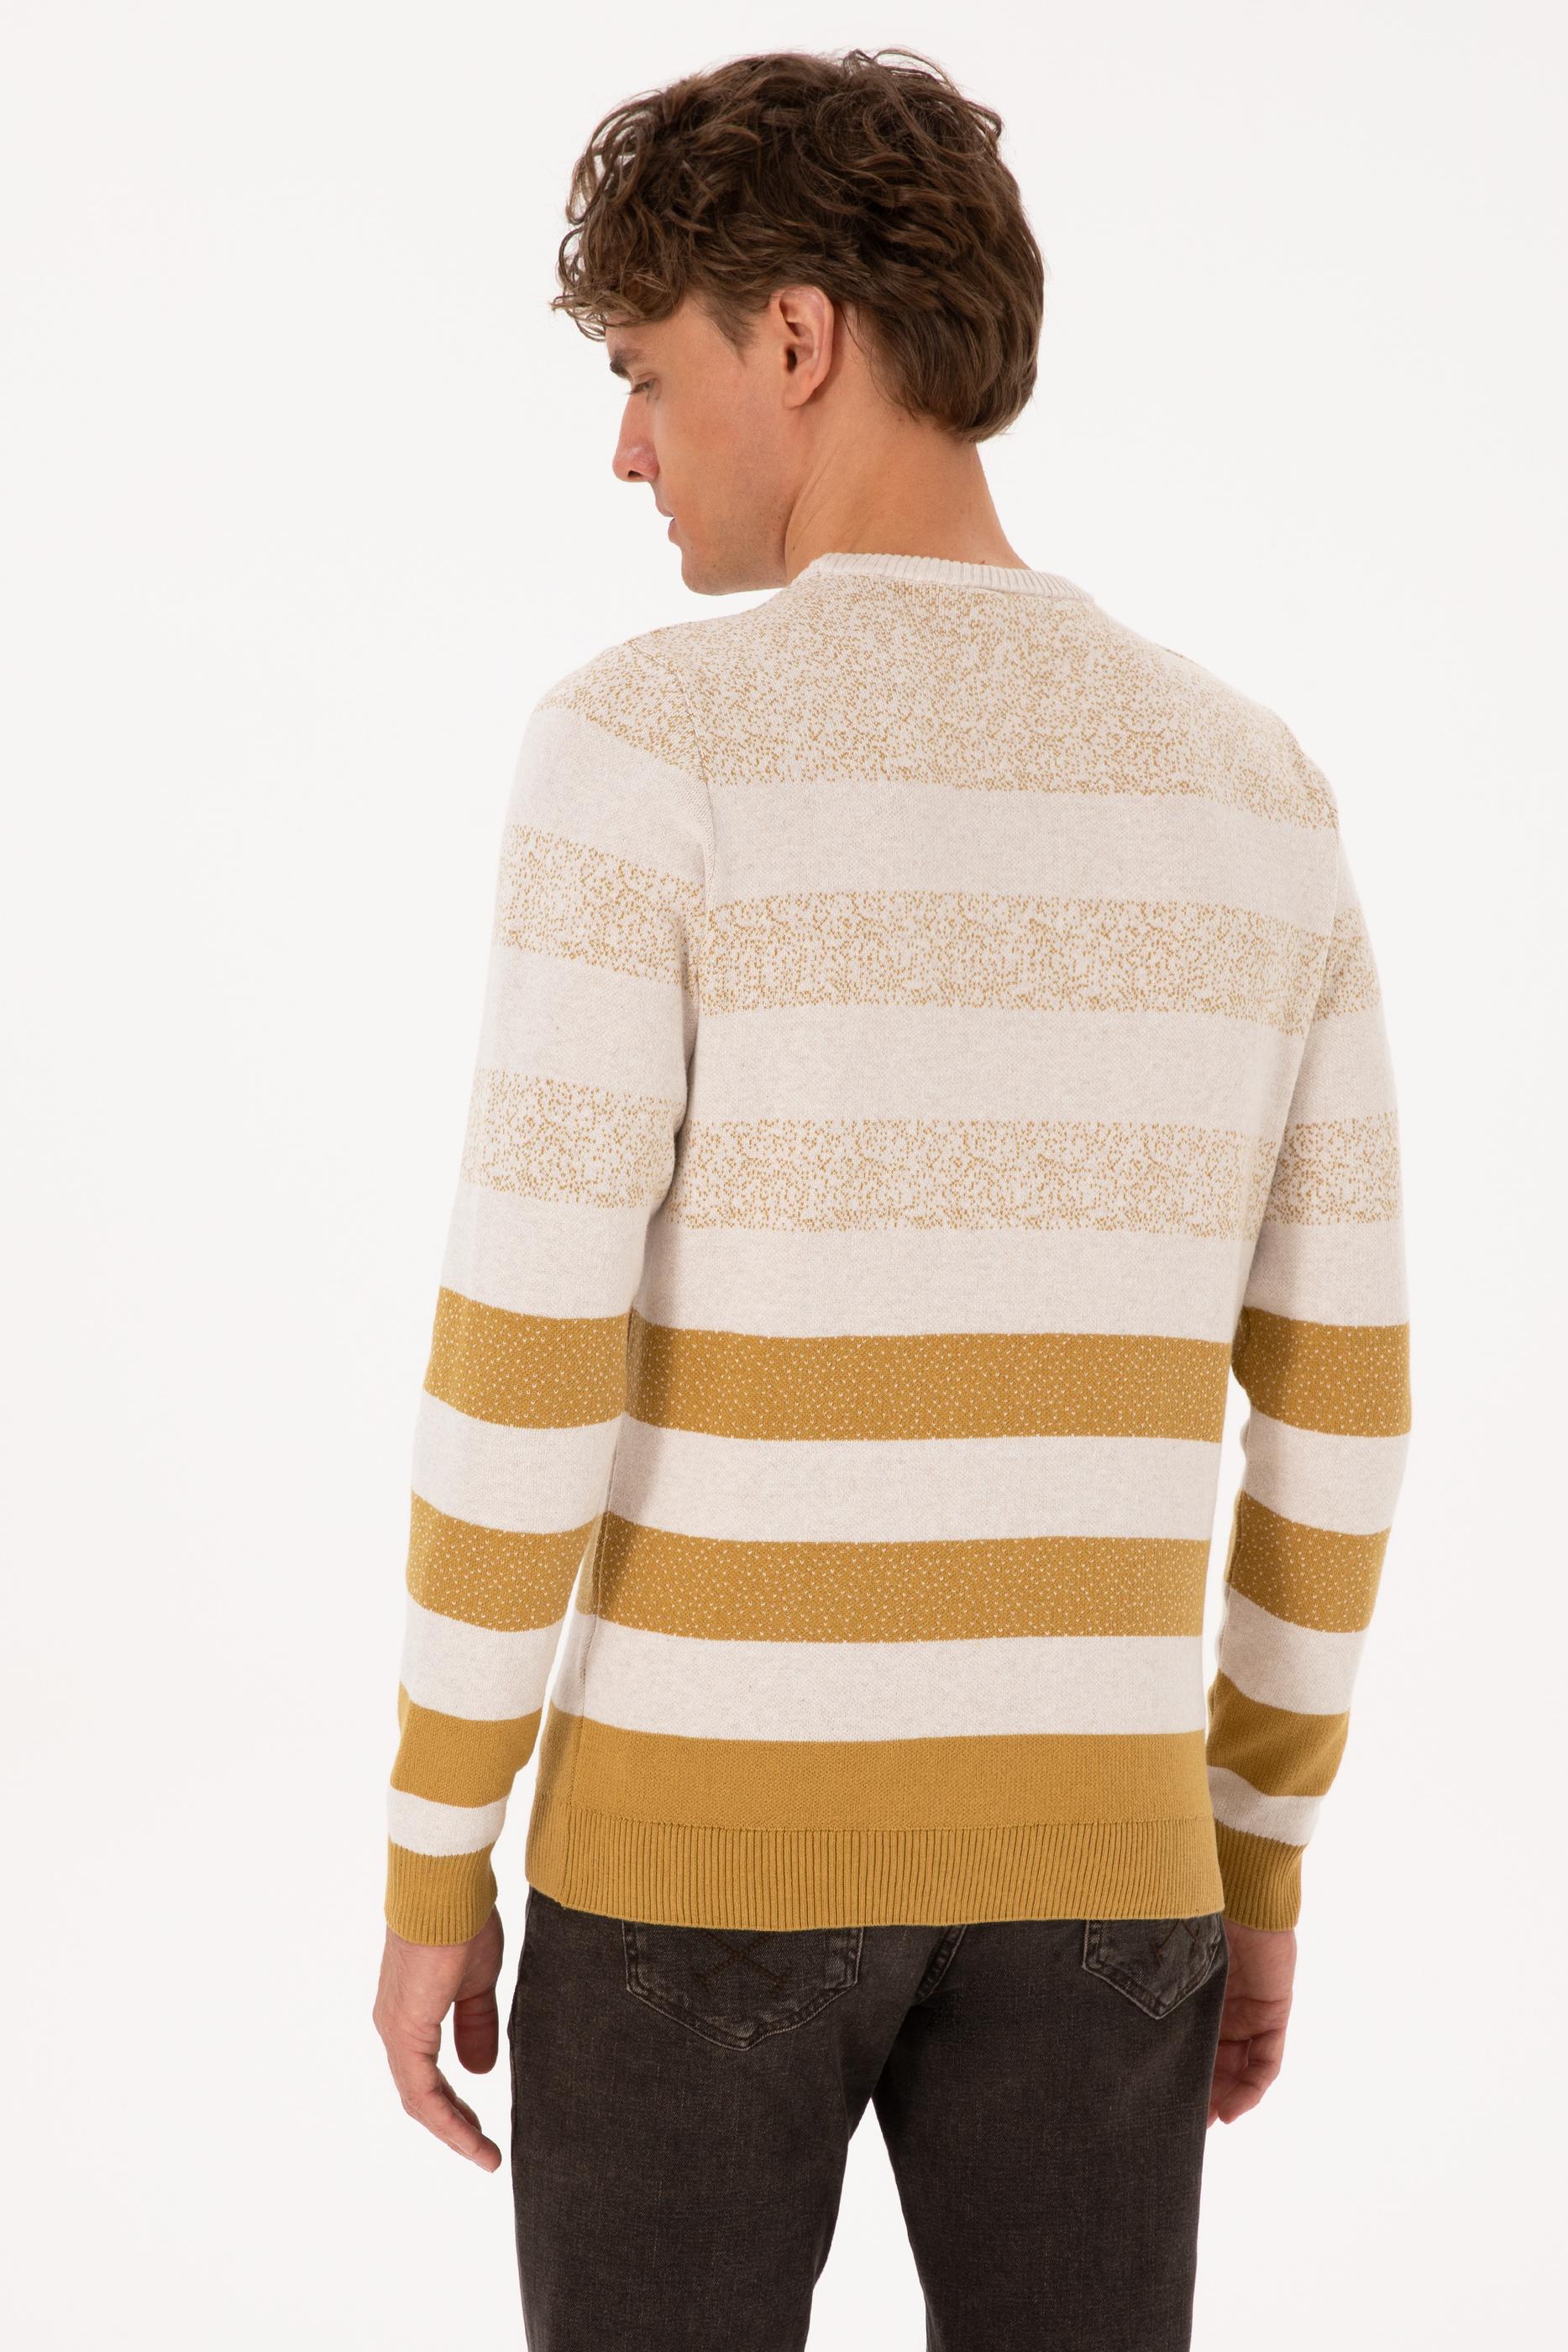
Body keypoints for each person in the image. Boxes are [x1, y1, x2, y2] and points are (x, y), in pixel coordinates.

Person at [373, 47, 1408, 2351]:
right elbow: (1342, 1396)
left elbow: (529, 1345)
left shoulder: (645, 748)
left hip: (692, 1863)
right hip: (1107, 1874)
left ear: (796, 337)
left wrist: (438, 1840)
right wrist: (1251, 1846)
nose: (626, 451)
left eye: (643, 374)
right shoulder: (1255, 792)